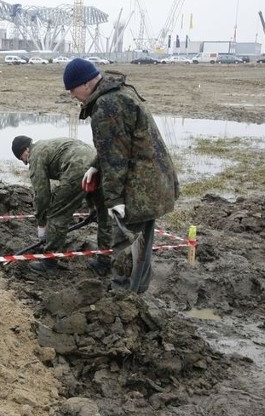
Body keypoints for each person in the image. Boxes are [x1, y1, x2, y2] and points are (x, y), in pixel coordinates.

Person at [63, 58, 180, 293]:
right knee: (141, 244)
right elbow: (122, 142)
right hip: (152, 182)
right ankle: (137, 293)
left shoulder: (107, 105)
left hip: (138, 188)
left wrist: (115, 200)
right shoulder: (120, 93)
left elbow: (116, 158)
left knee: (125, 244)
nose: (72, 96)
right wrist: (96, 165)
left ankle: (122, 298)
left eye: (72, 90)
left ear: (85, 84)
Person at [11, 136, 112, 274]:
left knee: (57, 212)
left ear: (25, 150)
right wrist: (91, 206)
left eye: (22, 158)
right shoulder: (49, 144)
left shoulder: (36, 155)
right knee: (103, 213)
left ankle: (49, 262)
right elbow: (88, 184)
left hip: (78, 168)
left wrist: (42, 223)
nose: (24, 163)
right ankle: (104, 261)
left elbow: (42, 194)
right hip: (98, 163)